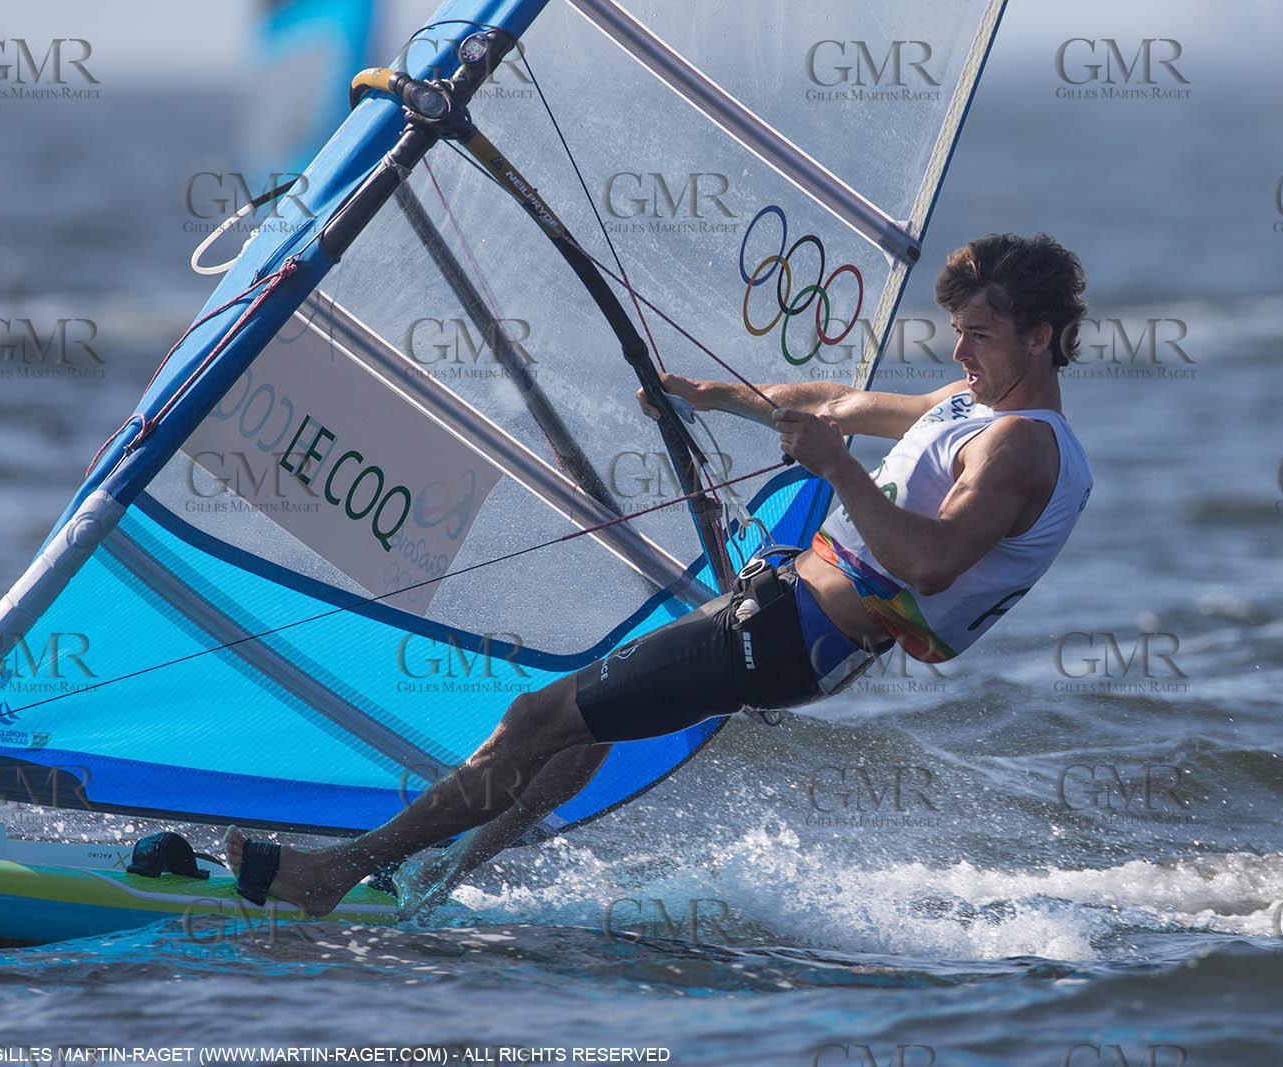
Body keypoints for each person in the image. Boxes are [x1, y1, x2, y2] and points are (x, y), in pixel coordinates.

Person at [226, 232, 1095, 916]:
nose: (959, 352)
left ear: (1041, 337)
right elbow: (834, 404)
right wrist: (705, 394)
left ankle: (336, 872)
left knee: (539, 715)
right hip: (785, 617)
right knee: (582, 728)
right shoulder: (972, 406)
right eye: (955, 333)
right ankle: (441, 874)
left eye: (978, 336)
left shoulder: (1022, 443)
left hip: (789, 636)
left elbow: (932, 562)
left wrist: (839, 468)